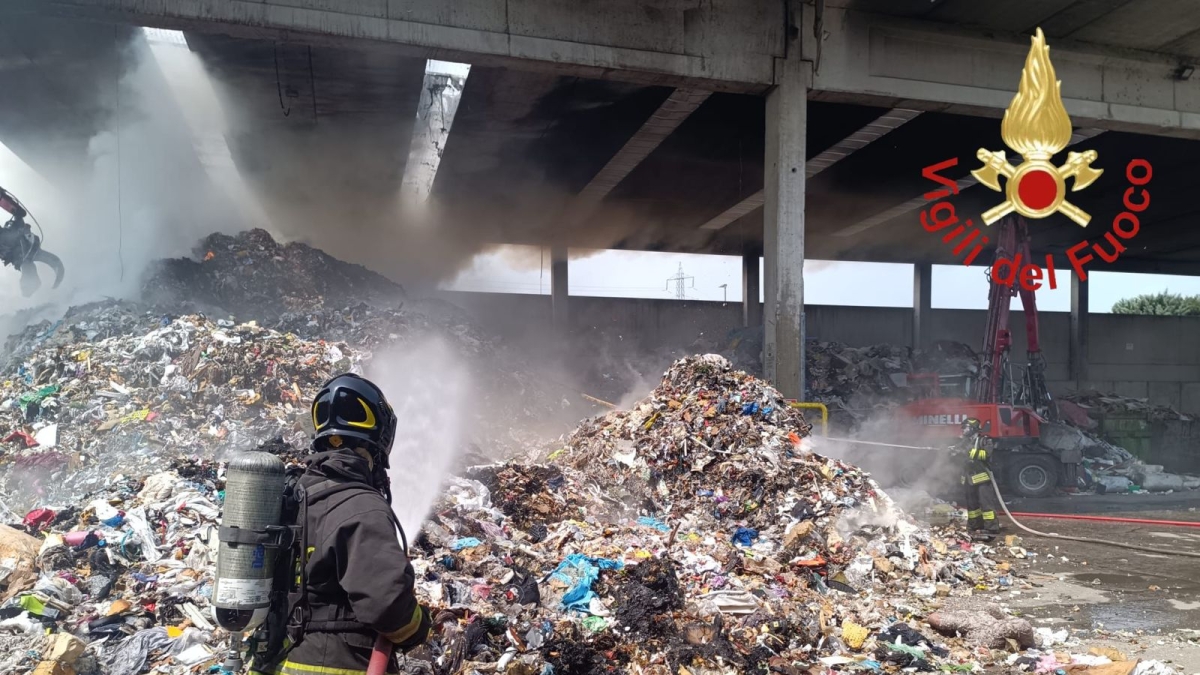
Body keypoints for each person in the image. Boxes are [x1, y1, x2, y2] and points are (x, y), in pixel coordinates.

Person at [260, 373, 432, 675]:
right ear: (379, 440)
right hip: (336, 663)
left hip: (277, 658)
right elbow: (387, 606)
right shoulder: (361, 506)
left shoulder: (296, 496)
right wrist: (419, 625)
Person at [956, 417, 1001, 539]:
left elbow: (986, 454)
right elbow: (958, 454)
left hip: (982, 478)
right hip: (968, 478)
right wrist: (951, 452)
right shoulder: (964, 441)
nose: (963, 430)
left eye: (965, 428)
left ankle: (991, 528)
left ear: (973, 428)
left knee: (986, 505)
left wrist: (968, 452)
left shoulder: (984, 441)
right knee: (972, 506)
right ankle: (974, 526)